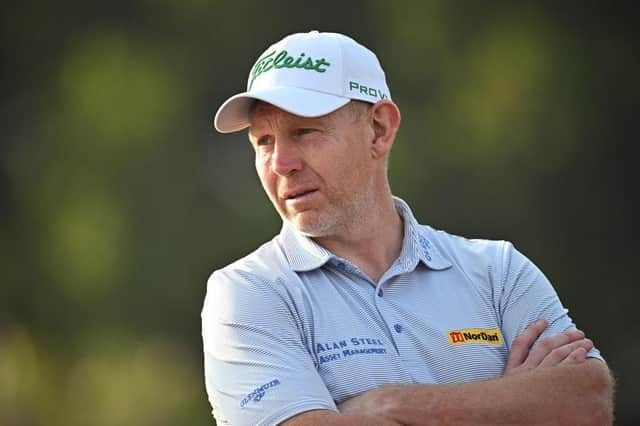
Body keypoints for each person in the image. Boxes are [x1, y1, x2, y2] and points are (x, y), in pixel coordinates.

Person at [202, 31, 613, 425]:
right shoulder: (246, 293)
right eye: (264, 141)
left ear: (379, 130)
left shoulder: (498, 271)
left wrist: (385, 404)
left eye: (304, 132)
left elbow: (587, 402)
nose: (280, 164)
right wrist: (513, 403)